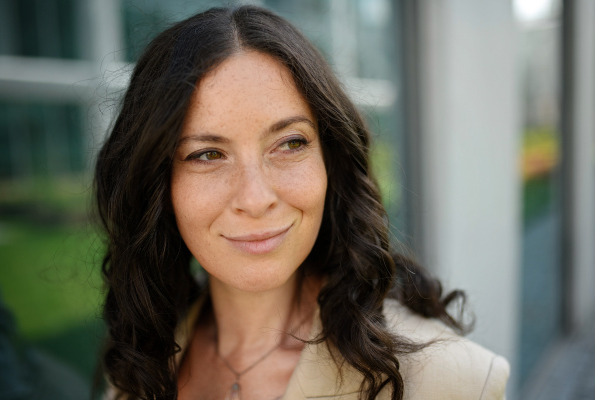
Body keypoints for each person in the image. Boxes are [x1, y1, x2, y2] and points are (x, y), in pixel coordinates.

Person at [95, 5, 509, 400]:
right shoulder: (137, 362)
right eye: (207, 154)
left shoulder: (454, 381)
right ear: (157, 183)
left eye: (290, 144)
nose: (255, 199)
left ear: (330, 160)